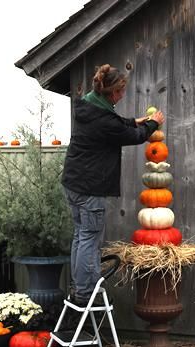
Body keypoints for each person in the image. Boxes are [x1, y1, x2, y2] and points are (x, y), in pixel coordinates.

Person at [61, 64, 164, 306]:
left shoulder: (90, 105)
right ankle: (86, 293)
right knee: (90, 238)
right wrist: (153, 123)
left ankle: (79, 286)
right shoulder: (104, 120)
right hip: (90, 188)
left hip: (73, 183)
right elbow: (133, 136)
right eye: (121, 91)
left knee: (81, 235)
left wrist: (135, 120)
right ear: (113, 93)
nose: (123, 94)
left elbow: (114, 123)